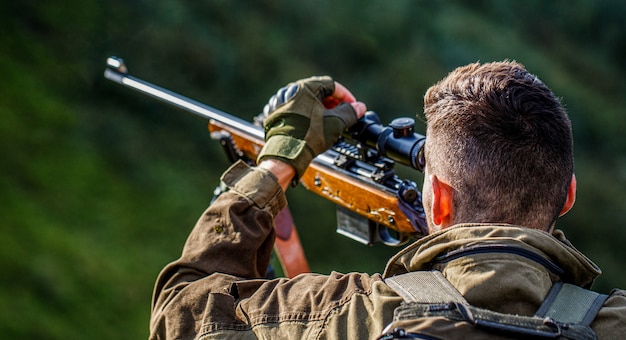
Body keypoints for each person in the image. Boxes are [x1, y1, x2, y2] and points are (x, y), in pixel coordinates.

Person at [149, 62, 626, 339]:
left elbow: (181, 314)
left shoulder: (344, 313)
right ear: (568, 194)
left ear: (437, 201)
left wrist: (277, 165)